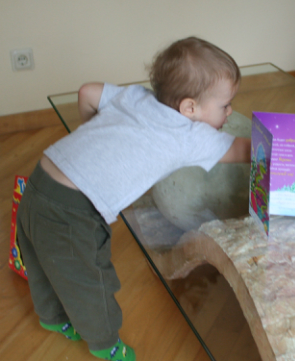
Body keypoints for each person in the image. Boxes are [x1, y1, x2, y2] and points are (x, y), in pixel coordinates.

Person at [16, 37, 251, 361]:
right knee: (89, 277)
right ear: (189, 108)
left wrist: (97, 138)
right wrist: (286, 141)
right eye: (225, 105)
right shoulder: (192, 136)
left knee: (42, 259)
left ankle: (52, 318)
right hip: (74, 207)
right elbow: (243, 150)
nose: (230, 111)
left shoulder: (136, 96)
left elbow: (87, 92)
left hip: (40, 178)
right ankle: (104, 343)